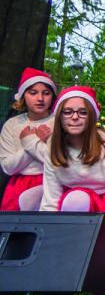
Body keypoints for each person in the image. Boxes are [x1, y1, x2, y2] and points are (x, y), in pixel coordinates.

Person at [40, 86, 105, 241]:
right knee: (30, 197)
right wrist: (46, 238)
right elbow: (50, 198)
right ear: (59, 116)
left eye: (82, 112)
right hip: (75, 199)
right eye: (68, 112)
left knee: (77, 198)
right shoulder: (53, 147)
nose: (74, 117)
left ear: (92, 116)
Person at [0, 68, 56, 211]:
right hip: (18, 188)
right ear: (23, 95)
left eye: (46, 93)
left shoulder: (59, 122)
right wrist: (33, 141)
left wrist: (31, 142)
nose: (40, 98)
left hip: (52, 184)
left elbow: (59, 161)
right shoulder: (12, 125)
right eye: (33, 93)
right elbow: (8, 167)